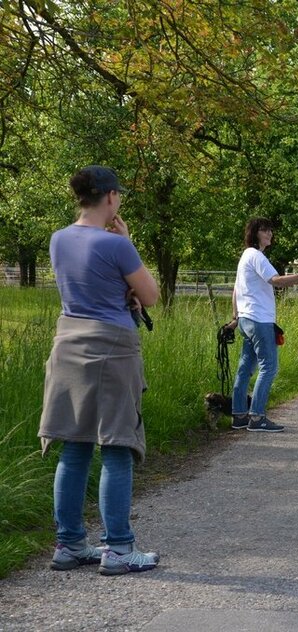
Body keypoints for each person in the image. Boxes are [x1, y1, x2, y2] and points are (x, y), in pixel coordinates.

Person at [38, 165, 161, 575]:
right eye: (119, 195)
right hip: (112, 347)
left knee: (74, 447)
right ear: (109, 196)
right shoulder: (117, 246)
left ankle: (70, 543)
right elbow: (151, 296)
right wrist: (127, 244)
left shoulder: (58, 240)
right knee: (116, 446)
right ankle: (119, 548)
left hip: (68, 344)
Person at [228, 217, 298, 432]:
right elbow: (277, 281)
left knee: (245, 368)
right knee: (269, 367)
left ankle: (239, 414)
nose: (269, 234)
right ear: (254, 233)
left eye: (270, 230)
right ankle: (257, 417)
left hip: (246, 319)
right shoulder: (257, 256)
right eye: (264, 230)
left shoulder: (245, 256)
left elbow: (236, 289)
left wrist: (236, 317)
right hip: (260, 320)